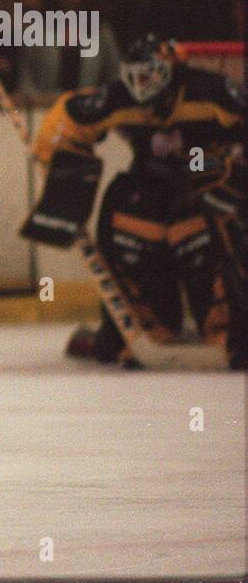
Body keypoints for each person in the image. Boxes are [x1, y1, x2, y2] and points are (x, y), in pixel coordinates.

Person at [24, 36, 244, 368]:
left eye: (149, 76)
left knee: (213, 232)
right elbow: (69, 114)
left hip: (205, 178)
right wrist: (58, 163)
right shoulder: (120, 97)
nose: (141, 87)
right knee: (123, 213)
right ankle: (142, 327)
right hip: (151, 183)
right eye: (135, 77)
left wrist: (228, 167)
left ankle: (231, 329)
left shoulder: (212, 91)